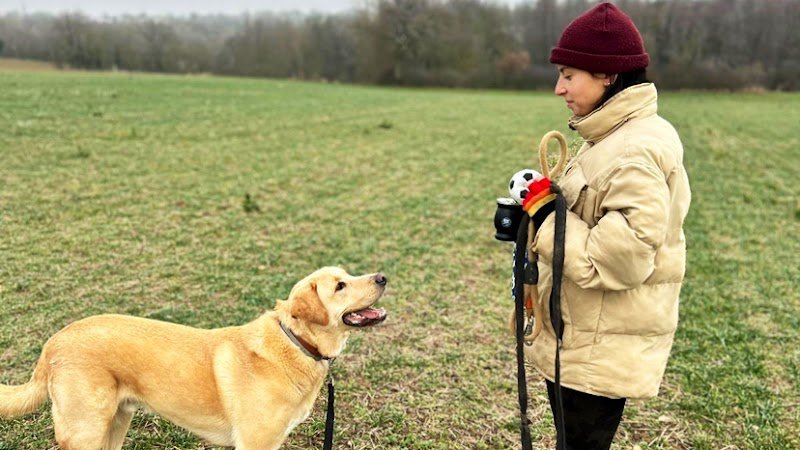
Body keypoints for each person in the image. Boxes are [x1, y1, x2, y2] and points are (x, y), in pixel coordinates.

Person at [517, 3, 692, 449]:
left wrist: (547, 217)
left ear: (609, 76)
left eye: (570, 75)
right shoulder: (614, 137)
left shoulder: (633, 149)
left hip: (601, 347)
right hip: (587, 337)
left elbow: (619, 259)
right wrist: (543, 205)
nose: (559, 88)